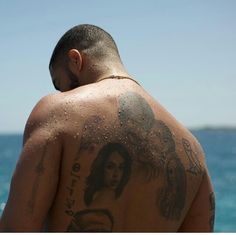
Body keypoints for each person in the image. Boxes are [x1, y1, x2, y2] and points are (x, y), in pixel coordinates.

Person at [0, 24, 215, 232]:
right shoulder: (194, 152)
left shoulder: (55, 111)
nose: (62, 92)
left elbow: (16, 228)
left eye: (59, 84)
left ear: (76, 59)